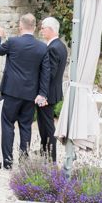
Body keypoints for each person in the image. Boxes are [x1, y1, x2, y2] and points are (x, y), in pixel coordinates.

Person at [0, 13, 49, 169]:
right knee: (26, 126)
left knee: (7, 125)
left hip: (10, 92)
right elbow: (46, 72)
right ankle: (23, 160)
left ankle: (8, 161)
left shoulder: (13, 42)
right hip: (30, 94)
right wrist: (42, 93)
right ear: (35, 27)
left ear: (20, 26)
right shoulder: (42, 47)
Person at [37, 16, 68, 161]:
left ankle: (50, 157)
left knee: (47, 126)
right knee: (44, 124)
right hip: (53, 92)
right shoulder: (60, 45)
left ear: (50, 29)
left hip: (47, 94)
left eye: (43, 28)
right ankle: (45, 151)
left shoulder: (53, 48)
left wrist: (42, 94)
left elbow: (49, 73)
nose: (41, 30)